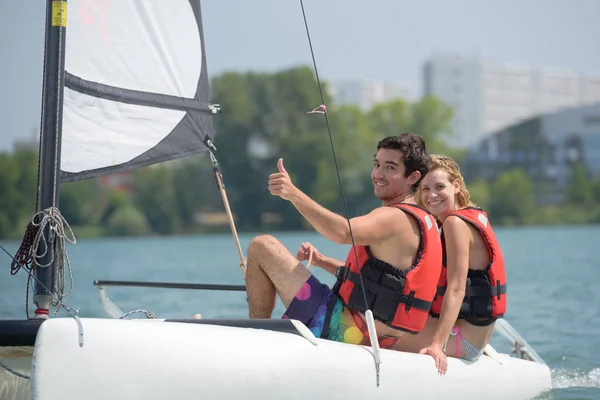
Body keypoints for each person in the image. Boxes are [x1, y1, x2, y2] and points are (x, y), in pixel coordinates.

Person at [245, 133, 442, 349]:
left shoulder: (393, 217)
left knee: (262, 246)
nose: (378, 174)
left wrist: (293, 194)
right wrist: (321, 260)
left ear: (413, 177)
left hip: (341, 328)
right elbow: (376, 283)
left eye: (390, 168)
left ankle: (256, 341)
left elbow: (341, 232)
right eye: (377, 164)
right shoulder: (425, 221)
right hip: (381, 340)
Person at [394, 154, 507, 374]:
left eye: (439, 187)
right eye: (425, 189)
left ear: (456, 186)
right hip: (473, 337)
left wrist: (437, 345)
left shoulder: (455, 224)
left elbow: (456, 289)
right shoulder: (468, 217)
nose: (431, 195)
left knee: (378, 333)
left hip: (462, 341)